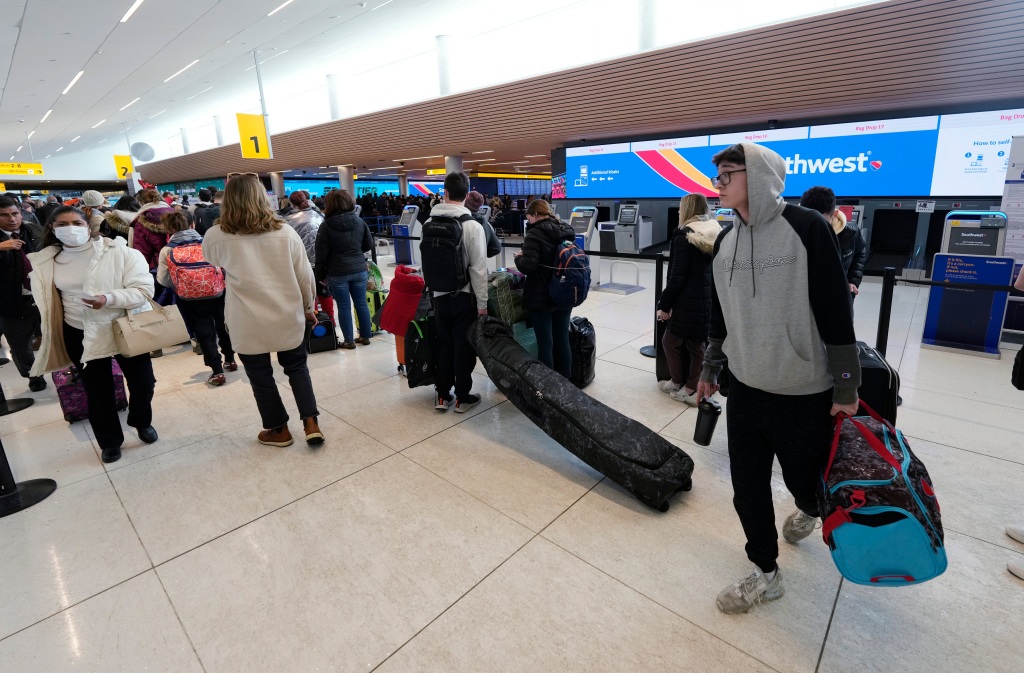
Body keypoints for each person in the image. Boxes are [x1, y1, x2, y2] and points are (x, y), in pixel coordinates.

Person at [694, 143, 860, 614]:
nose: (718, 185)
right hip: (745, 388)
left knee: (804, 483)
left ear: (760, 175)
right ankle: (766, 571)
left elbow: (835, 310)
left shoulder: (806, 228)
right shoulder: (724, 242)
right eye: (717, 177)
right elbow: (720, 316)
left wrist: (846, 386)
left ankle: (808, 507)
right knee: (747, 487)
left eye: (727, 174)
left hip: (802, 391)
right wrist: (710, 367)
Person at [202, 175, 324, 447]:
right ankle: (311, 423)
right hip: (287, 312)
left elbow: (212, 259)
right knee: (297, 367)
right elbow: (304, 275)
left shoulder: (216, 235)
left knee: (260, 375)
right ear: (261, 197)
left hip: (246, 318)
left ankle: (278, 430)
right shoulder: (285, 231)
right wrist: (308, 307)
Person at [28, 206, 157, 463]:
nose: (70, 228)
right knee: (98, 392)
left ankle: (141, 420)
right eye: (62, 224)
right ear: (52, 229)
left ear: (88, 226)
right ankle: (110, 441)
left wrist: (107, 298)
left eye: (76, 222)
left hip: (122, 326)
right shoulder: (46, 261)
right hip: (79, 331)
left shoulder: (120, 252)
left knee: (144, 382)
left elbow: (144, 291)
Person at [422, 171, 488, 412]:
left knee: (444, 343)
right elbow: (479, 269)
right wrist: (482, 304)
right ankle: (462, 397)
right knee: (463, 346)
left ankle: (442, 395)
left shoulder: (429, 223)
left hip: (438, 294)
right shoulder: (472, 226)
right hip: (464, 295)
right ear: (466, 194)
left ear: (445, 193)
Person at [157, 212, 235, 385]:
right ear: (193, 224)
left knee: (204, 332)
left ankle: (217, 371)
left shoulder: (167, 250)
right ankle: (230, 359)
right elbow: (224, 266)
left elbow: (162, 280)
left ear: (169, 229)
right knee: (223, 325)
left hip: (189, 298)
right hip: (217, 292)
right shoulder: (208, 242)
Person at [656, 193, 721, 404]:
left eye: (680, 208)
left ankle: (689, 388)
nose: (677, 211)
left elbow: (677, 276)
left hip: (686, 300)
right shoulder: (713, 230)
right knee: (696, 344)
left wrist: (664, 304)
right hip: (705, 297)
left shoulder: (684, 235)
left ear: (688, 209)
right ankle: (684, 384)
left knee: (672, 342)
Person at [514, 199, 575, 378]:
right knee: (562, 340)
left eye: (529, 218)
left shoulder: (534, 234)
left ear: (536, 215)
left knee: (545, 344)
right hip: (563, 293)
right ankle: (566, 384)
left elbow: (528, 267)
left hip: (541, 297)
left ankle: (548, 388)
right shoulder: (565, 230)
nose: (529, 223)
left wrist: (519, 257)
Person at [314, 189, 373, 349]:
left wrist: (320, 275)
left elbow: (321, 254)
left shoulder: (326, 226)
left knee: (344, 306)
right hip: (359, 269)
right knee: (361, 303)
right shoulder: (360, 221)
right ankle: (366, 336)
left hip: (337, 271)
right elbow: (368, 244)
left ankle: (349, 340)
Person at [0, 197, 46, 391]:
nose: (12, 219)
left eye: (15, 213)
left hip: (43, 294)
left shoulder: (34, 231)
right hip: (11, 299)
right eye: (4, 215)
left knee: (56, 334)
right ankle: (33, 376)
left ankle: (67, 370)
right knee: (20, 344)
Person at [799, 187, 866, 300]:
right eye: (809, 219)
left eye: (820, 220)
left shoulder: (851, 233)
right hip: (804, 296)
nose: (815, 225)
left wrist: (852, 280)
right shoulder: (793, 231)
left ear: (834, 214)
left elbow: (859, 253)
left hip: (838, 295)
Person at [465, 191, 501, 258]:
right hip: (479, 264)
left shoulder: (459, 221)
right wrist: (482, 254)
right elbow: (496, 248)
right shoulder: (485, 224)